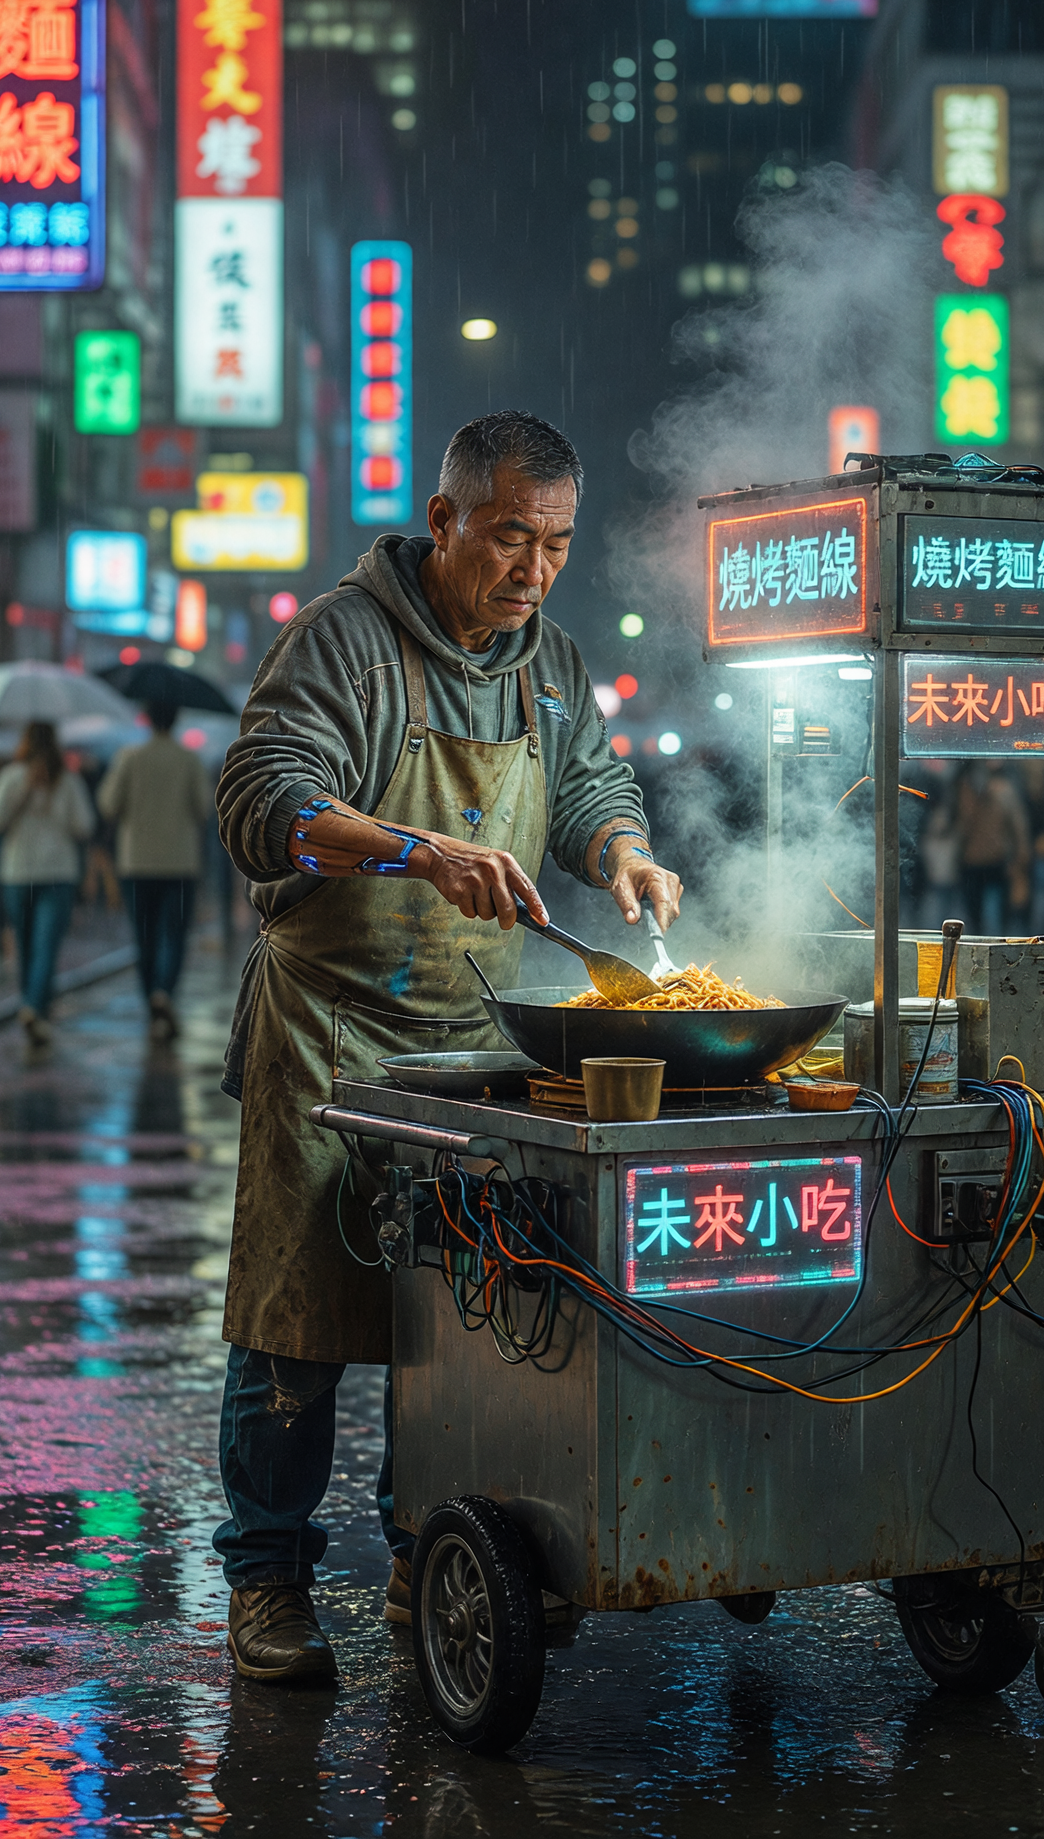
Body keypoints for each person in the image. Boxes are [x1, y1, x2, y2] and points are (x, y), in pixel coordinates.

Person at [213, 410, 681, 1683]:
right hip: (330, 1034)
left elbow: (587, 783)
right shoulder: (345, 642)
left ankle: (428, 1546)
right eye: (509, 536)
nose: (532, 569)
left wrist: (622, 852)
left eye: (557, 543)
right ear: (444, 522)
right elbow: (263, 804)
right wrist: (418, 848)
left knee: (468, 1318)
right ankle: (266, 1577)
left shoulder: (549, 660)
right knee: (297, 1315)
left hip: (472, 1037)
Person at [97, 697, 214, 1039]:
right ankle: (165, 991)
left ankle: (151, 998)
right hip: (180, 862)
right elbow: (204, 807)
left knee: (143, 936)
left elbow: (107, 804)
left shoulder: (128, 758)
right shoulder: (189, 760)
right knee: (175, 934)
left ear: (147, 719)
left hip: (137, 861)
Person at [0, 720, 95, 1047]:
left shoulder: (11, 776)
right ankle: (35, 1009)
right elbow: (85, 826)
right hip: (57, 873)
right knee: (45, 945)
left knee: (26, 944)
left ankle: (32, 1007)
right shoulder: (68, 781)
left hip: (18, 873)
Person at [956, 761, 1030, 936]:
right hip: (974, 861)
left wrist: (1020, 857)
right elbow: (961, 825)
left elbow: (1017, 826)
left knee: (998, 919)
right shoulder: (966, 791)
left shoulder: (1002, 791)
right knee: (977, 919)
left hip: (995, 860)